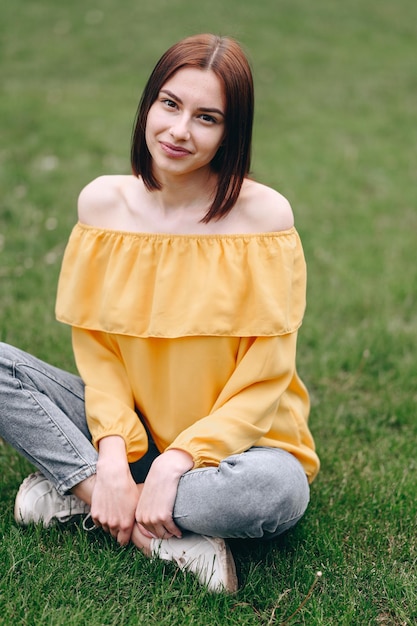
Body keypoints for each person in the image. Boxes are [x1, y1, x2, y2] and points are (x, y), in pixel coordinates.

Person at [0, 33, 319, 593]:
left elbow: (264, 376)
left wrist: (179, 461)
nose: (178, 131)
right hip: (132, 431)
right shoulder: (102, 205)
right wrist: (117, 457)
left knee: (275, 495)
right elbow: (100, 359)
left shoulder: (263, 217)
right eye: (169, 104)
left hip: (238, 451)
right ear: (149, 104)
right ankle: (131, 515)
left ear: (229, 133)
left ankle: (80, 494)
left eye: (207, 117)